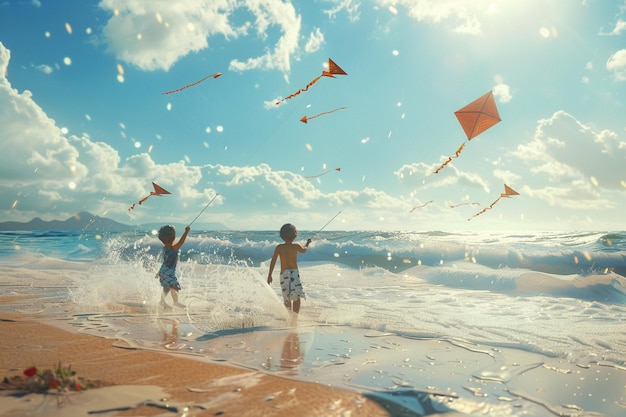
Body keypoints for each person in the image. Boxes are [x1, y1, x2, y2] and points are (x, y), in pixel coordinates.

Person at [267, 223, 311, 324]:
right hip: (294, 274)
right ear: (295, 234)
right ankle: (294, 319)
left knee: (287, 297)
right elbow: (304, 250)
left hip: (284, 274)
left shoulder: (279, 247)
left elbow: (273, 261)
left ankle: (290, 316)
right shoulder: (296, 246)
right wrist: (308, 243)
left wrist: (270, 274)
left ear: (282, 235)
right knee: (296, 296)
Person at [157, 224, 190, 309]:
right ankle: (175, 302)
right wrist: (186, 232)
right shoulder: (173, 248)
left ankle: (162, 302)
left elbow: (165, 261)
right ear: (173, 238)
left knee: (166, 288)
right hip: (169, 272)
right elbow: (181, 242)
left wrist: (159, 272)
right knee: (175, 286)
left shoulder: (164, 248)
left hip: (163, 271)